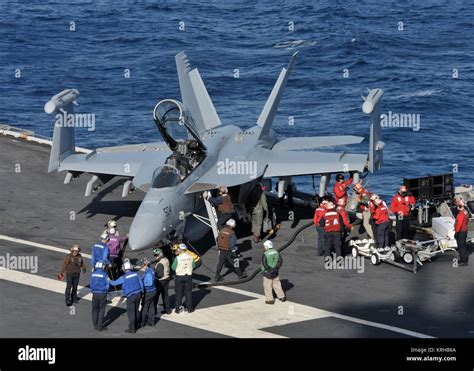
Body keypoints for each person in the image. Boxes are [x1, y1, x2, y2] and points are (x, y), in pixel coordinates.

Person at [109, 261, 144, 333]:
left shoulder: (123, 277)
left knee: (131, 313)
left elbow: (114, 283)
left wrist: (108, 279)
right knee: (136, 310)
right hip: (138, 294)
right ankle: (138, 324)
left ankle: (132, 329)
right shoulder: (136, 274)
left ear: (124, 269)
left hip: (130, 296)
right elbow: (141, 284)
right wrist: (142, 293)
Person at [171, 244, 195, 314]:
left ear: (180, 249)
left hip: (179, 277)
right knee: (188, 293)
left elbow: (173, 267)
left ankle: (178, 309)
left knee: (179, 293)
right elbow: (193, 265)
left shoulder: (178, 258)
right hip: (188, 276)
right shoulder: (191, 257)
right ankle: (190, 308)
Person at [90, 261, 109, 331]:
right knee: (101, 310)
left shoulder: (92, 274)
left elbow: (91, 284)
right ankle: (100, 326)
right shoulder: (105, 274)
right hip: (103, 293)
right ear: (102, 267)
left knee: (94, 310)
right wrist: (105, 290)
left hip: (95, 293)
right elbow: (108, 285)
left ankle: (95, 325)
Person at [153, 247, 172, 315]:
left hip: (160, 281)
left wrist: (154, 273)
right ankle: (168, 310)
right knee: (165, 295)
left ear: (160, 254)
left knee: (155, 296)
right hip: (166, 279)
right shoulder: (166, 260)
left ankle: (154, 311)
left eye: (156, 255)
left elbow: (159, 275)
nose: (155, 257)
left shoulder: (160, 264)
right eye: (155, 255)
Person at [140, 258, 157, 327]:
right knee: (151, 306)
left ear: (145, 265)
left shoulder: (148, 273)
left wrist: (143, 283)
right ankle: (151, 322)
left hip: (148, 292)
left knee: (145, 307)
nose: (142, 266)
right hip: (153, 291)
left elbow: (149, 283)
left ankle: (142, 322)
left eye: (142, 265)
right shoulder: (151, 270)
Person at [455, 200, 470, 266]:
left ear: (459, 206)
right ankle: (463, 260)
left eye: (457, 206)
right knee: (463, 246)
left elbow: (459, 225)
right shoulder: (465, 211)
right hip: (465, 230)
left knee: (461, 247)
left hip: (461, 232)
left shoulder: (460, 214)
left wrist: (456, 233)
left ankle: (463, 261)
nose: (457, 207)